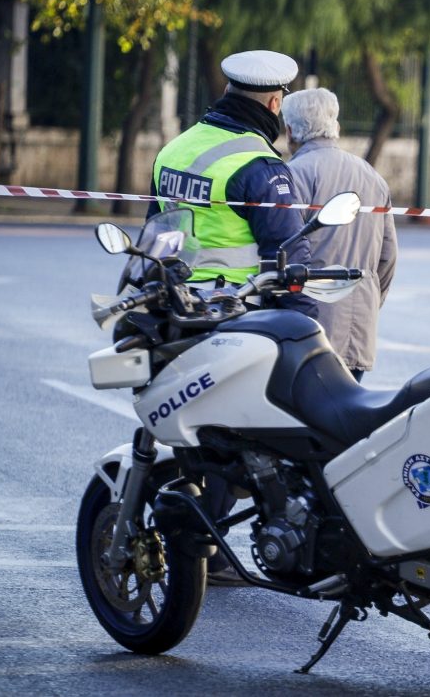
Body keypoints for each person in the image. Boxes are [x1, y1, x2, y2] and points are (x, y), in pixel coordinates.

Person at [149, 49, 312, 586]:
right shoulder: (260, 166)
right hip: (231, 318)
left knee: (190, 432)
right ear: (273, 100)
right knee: (230, 440)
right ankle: (210, 552)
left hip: (173, 315)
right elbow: (290, 261)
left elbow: (156, 234)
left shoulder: (176, 148)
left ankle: (187, 546)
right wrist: (306, 336)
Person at [283, 87, 397, 382]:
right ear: (335, 125)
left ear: (291, 131)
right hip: (359, 325)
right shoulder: (372, 176)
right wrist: (366, 300)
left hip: (309, 329)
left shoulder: (293, 176)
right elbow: (387, 259)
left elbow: (284, 250)